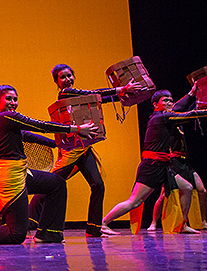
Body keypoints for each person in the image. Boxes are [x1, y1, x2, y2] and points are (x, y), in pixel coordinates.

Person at [0, 86, 96, 245]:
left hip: (19, 172)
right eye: (9, 99)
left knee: (57, 184)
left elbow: (28, 135)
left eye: (15, 99)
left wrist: (59, 144)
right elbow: (40, 126)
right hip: (10, 176)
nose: (13, 102)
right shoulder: (5, 117)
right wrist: (76, 129)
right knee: (15, 235)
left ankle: (48, 234)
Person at [102, 88, 207, 234]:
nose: (169, 103)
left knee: (187, 188)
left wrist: (191, 93)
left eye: (171, 100)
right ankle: (103, 223)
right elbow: (187, 115)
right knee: (135, 201)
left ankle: (182, 224)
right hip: (152, 165)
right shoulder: (160, 117)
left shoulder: (165, 115)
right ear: (156, 104)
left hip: (164, 165)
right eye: (165, 100)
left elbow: (178, 108)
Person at [46, 63, 139, 236]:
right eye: (62, 77)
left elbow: (95, 98)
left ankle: (94, 228)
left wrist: (120, 95)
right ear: (57, 82)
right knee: (51, 184)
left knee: (98, 185)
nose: (67, 79)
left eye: (69, 75)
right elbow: (93, 94)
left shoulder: (75, 96)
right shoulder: (66, 93)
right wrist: (120, 90)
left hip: (83, 149)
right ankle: (30, 221)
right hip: (72, 151)